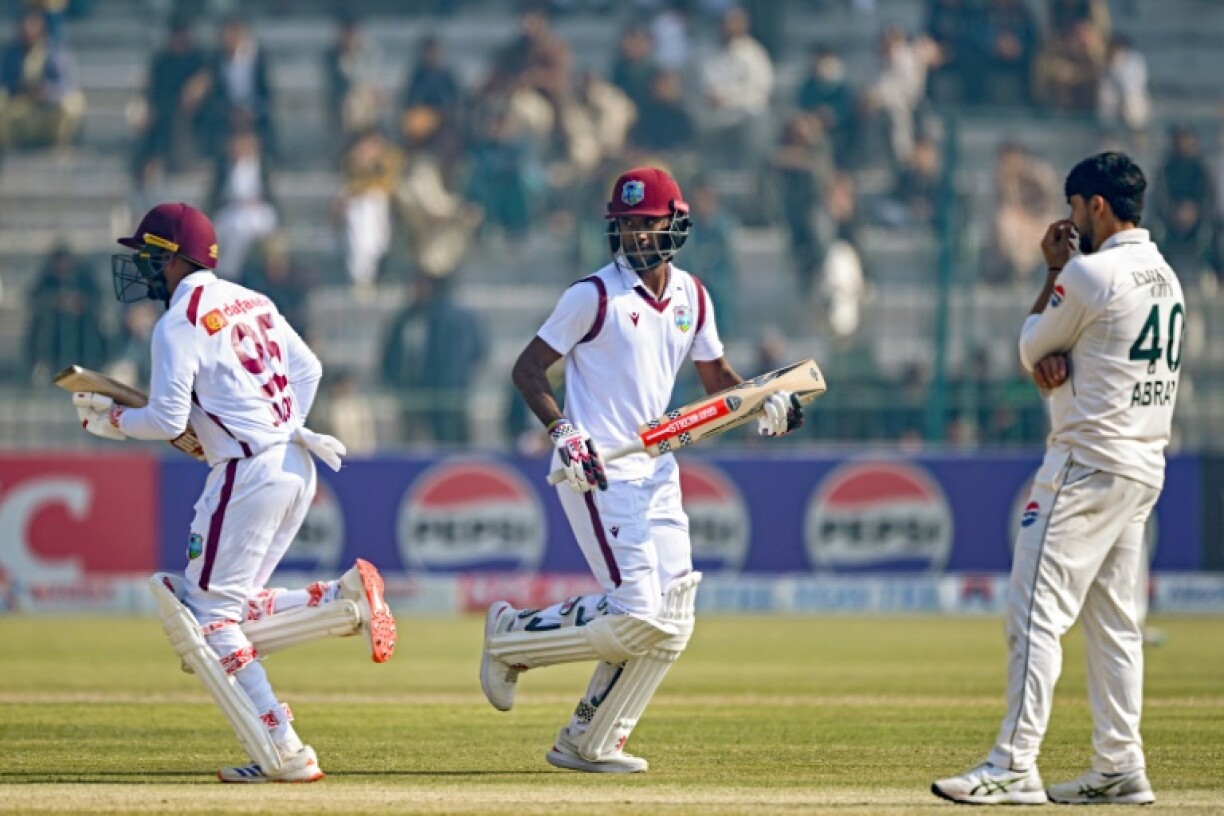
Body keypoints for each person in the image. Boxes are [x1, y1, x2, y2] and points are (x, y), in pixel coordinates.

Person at [480, 167, 804, 773]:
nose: (636, 236)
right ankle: (510, 636)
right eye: (626, 225)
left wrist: (767, 400)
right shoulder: (593, 295)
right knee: (636, 610)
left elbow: (717, 381)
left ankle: (590, 740)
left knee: (672, 619)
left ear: (676, 223)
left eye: (647, 224)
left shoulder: (693, 297)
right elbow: (528, 369)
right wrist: (564, 430)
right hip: (596, 467)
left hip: (656, 468)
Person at [72, 202, 398, 783]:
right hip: (297, 461)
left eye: (148, 256)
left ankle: (285, 746)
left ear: (174, 259)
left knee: (207, 620)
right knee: (232, 611)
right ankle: (341, 597)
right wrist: (277, 426)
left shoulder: (178, 322)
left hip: (248, 474)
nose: (141, 267)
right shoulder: (253, 298)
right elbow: (310, 370)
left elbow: (167, 420)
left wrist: (113, 422)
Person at [932, 152, 1182, 805]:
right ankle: (1120, 765)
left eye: (1074, 209)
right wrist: (1059, 356)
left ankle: (1014, 764)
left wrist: (1052, 272)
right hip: (1141, 466)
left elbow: (1030, 345)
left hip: (1085, 463)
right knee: (1115, 625)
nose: (1070, 224)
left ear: (1095, 205)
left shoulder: (1091, 274)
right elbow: (1081, 351)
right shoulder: (1166, 277)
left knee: (1034, 612)